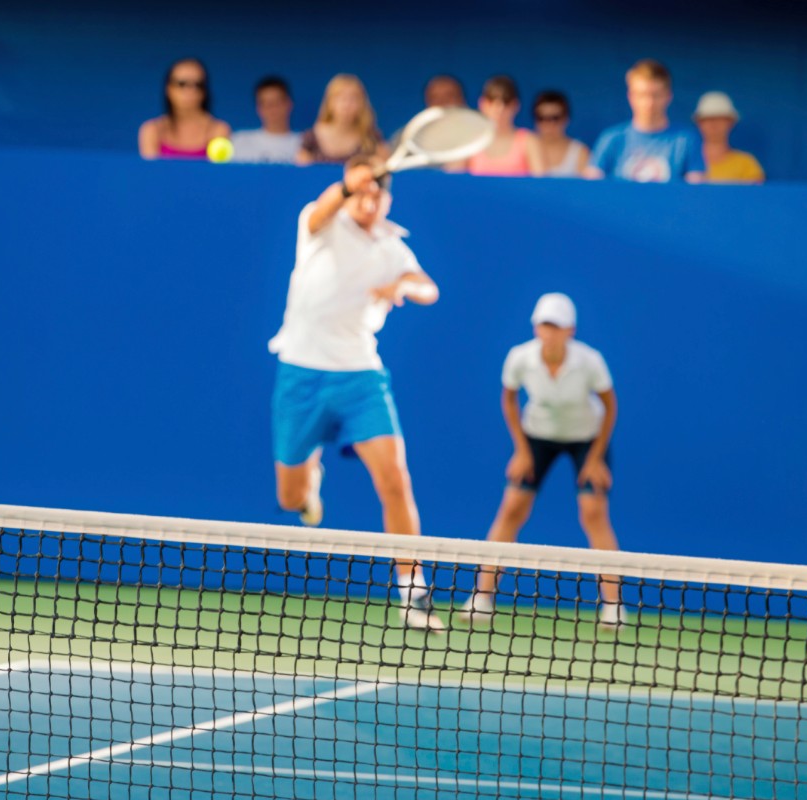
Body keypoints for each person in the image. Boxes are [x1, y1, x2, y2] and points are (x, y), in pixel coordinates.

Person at [268, 155, 444, 632]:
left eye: (377, 193)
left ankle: (413, 595)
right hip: (301, 373)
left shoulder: (393, 245)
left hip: (361, 376)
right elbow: (326, 207)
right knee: (289, 498)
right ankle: (309, 484)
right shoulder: (319, 223)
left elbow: (430, 289)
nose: (369, 201)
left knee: (395, 478)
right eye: (362, 191)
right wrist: (346, 188)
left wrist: (404, 283)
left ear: (387, 198)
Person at [456, 293, 627, 628]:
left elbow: (610, 407)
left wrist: (595, 459)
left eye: (556, 326)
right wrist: (521, 450)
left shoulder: (590, 361)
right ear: (536, 328)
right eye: (544, 325)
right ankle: (482, 596)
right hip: (537, 436)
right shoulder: (519, 357)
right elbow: (509, 399)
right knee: (512, 508)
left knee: (594, 513)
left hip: (586, 438)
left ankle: (613, 605)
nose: (549, 332)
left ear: (570, 331)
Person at [585, 59, 704, 183]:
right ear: (631, 96)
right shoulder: (611, 139)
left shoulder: (686, 140)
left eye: (656, 95)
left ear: (668, 96)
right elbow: (592, 188)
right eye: (642, 95)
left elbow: (695, 191)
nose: (649, 103)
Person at [138, 58, 231, 160]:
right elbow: (151, 173)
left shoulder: (219, 129)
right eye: (181, 84)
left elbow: (217, 173)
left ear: (205, 91)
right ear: (168, 88)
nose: (190, 90)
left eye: (198, 85)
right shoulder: (151, 130)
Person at [296, 74, 386, 165]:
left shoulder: (372, 138)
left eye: (353, 98)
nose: (347, 105)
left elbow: (386, 170)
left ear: (362, 104)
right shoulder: (311, 139)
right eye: (340, 98)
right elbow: (301, 173)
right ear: (329, 103)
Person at [468, 76, 544, 177]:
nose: (499, 109)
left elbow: (542, 185)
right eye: (491, 101)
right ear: (482, 103)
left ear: (516, 105)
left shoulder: (529, 141)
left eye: (506, 102)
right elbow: (453, 181)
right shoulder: (470, 141)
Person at [694, 91, 765, 184]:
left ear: (731, 122)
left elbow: (757, 196)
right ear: (699, 123)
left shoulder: (746, 164)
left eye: (720, 119)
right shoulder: (686, 162)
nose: (713, 124)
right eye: (708, 119)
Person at [229, 76, 303, 164]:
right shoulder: (238, 142)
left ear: (289, 104)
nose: (272, 109)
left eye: (276, 103)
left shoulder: (304, 143)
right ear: (258, 108)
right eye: (266, 104)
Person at [532, 91, 590, 178]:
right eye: (541, 117)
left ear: (566, 118)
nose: (548, 124)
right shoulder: (524, 148)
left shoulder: (579, 152)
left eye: (555, 118)